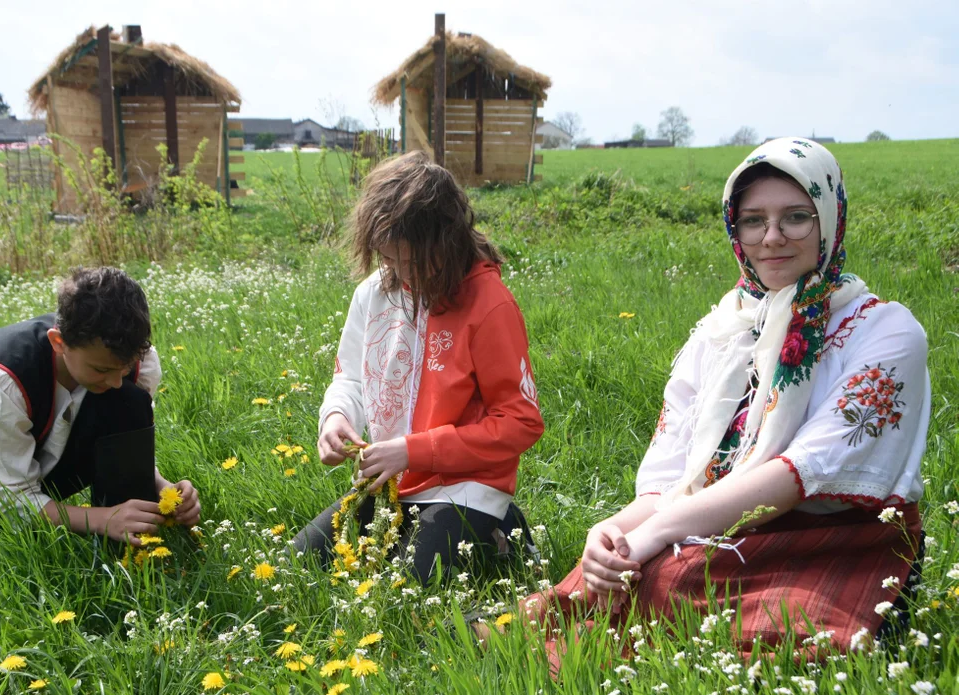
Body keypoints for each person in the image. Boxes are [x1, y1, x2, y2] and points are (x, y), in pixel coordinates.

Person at [510, 138, 929, 666]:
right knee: (603, 577)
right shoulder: (718, 333)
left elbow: (802, 470)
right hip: (705, 519)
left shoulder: (884, 331)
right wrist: (612, 530)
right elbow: (667, 480)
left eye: (796, 217)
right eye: (754, 221)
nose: (772, 237)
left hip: (835, 537)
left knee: (671, 579)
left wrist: (659, 531)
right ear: (735, 230)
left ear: (829, 220)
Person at [292, 151, 545, 584]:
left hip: (466, 487)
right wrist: (335, 418)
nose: (394, 272)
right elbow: (350, 376)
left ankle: (501, 526)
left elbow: (521, 423)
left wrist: (413, 450)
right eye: (386, 259)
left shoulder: (489, 305)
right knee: (302, 559)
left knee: (404, 589)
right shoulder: (372, 294)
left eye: (406, 261)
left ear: (444, 243)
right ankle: (451, 531)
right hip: (395, 482)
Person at [0, 267, 200, 543]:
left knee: (128, 400)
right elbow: (9, 500)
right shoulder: (1, 377)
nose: (116, 380)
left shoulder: (134, 360)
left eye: (125, 366)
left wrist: (162, 487)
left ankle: (129, 536)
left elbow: (126, 442)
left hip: (40, 471)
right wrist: (100, 520)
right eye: (101, 370)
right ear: (58, 343)